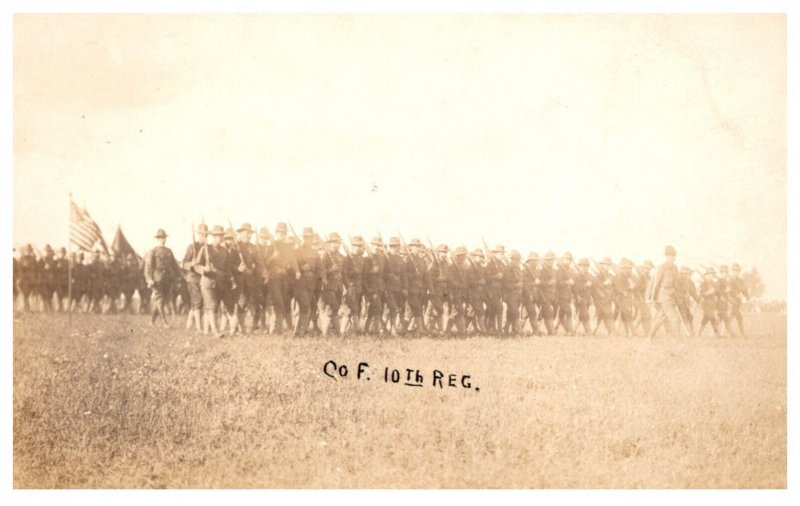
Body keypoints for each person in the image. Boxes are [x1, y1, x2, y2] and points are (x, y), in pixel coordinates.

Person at [143, 229, 179, 328]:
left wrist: (178, 276)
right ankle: (164, 322)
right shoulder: (153, 251)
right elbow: (148, 267)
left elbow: (174, 265)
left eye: (163, 238)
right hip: (156, 278)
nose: (162, 240)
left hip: (167, 278)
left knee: (162, 301)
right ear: (157, 239)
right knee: (159, 299)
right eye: (160, 238)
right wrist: (149, 279)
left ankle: (152, 321)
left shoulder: (169, 251)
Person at [647, 245, 682, 338]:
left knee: (660, 318)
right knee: (675, 319)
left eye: (674, 255)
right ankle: (678, 342)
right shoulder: (662, 267)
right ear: (668, 256)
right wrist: (649, 297)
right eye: (672, 255)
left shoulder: (675, 268)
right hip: (664, 297)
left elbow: (677, 285)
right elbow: (653, 283)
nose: (674, 257)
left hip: (672, 297)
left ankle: (649, 337)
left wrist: (678, 297)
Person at [181, 224, 208, 332]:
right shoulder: (191, 247)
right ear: (198, 234)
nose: (203, 237)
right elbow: (183, 263)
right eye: (201, 234)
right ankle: (198, 327)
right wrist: (191, 264)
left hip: (203, 278)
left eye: (205, 235)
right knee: (198, 301)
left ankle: (189, 323)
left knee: (198, 302)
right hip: (192, 277)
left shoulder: (208, 248)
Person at [320, 233, 345, 336]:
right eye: (334, 242)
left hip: (338, 286)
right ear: (330, 244)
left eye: (337, 242)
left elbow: (343, 272)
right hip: (329, 286)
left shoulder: (341, 256)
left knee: (335, 309)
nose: (336, 245)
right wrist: (330, 270)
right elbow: (320, 272)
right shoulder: (325, 256)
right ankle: (324, 334)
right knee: (330, 309)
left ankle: (337, 333)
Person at [729, 263, 750, 337]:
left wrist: (747, 296)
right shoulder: (729, 280)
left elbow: (744, 289)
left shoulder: (740, 281)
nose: (736, 273)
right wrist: (735, 295)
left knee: (729, 318)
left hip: (737, 303)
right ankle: (742, 333)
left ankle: (717, 332)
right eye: (735, 271)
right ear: (732, 271)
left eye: (738, 271)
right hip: (729, 302)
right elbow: (728, 290)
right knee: (739, 317)